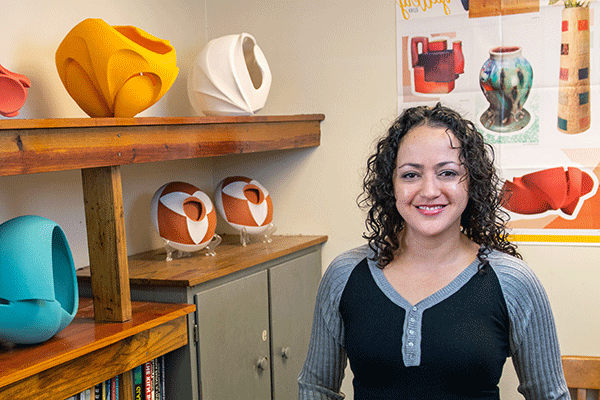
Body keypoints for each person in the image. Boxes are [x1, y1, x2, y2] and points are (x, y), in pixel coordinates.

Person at [298, 103, 569, 399]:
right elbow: (316, 388)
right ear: (391, 184)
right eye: (411, 175)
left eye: (448, 173)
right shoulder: (345, 275)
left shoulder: (513, 282)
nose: (429, 190)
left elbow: (550, 395)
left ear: (472, 182)